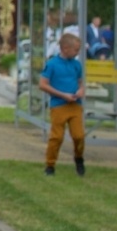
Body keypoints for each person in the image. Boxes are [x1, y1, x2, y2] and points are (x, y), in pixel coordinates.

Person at [39, 29, 86, 176]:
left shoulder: (77, 65)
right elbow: (43, 84)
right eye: (76, 50)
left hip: (75, 104)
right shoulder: (52, 64)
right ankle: (50, 164)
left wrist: (80, 91)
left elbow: (80, 82)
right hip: (59, 105)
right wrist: (62, 95)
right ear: (65, 48)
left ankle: (79, 157)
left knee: (79, 135)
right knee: (57, 137)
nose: (77, 53)